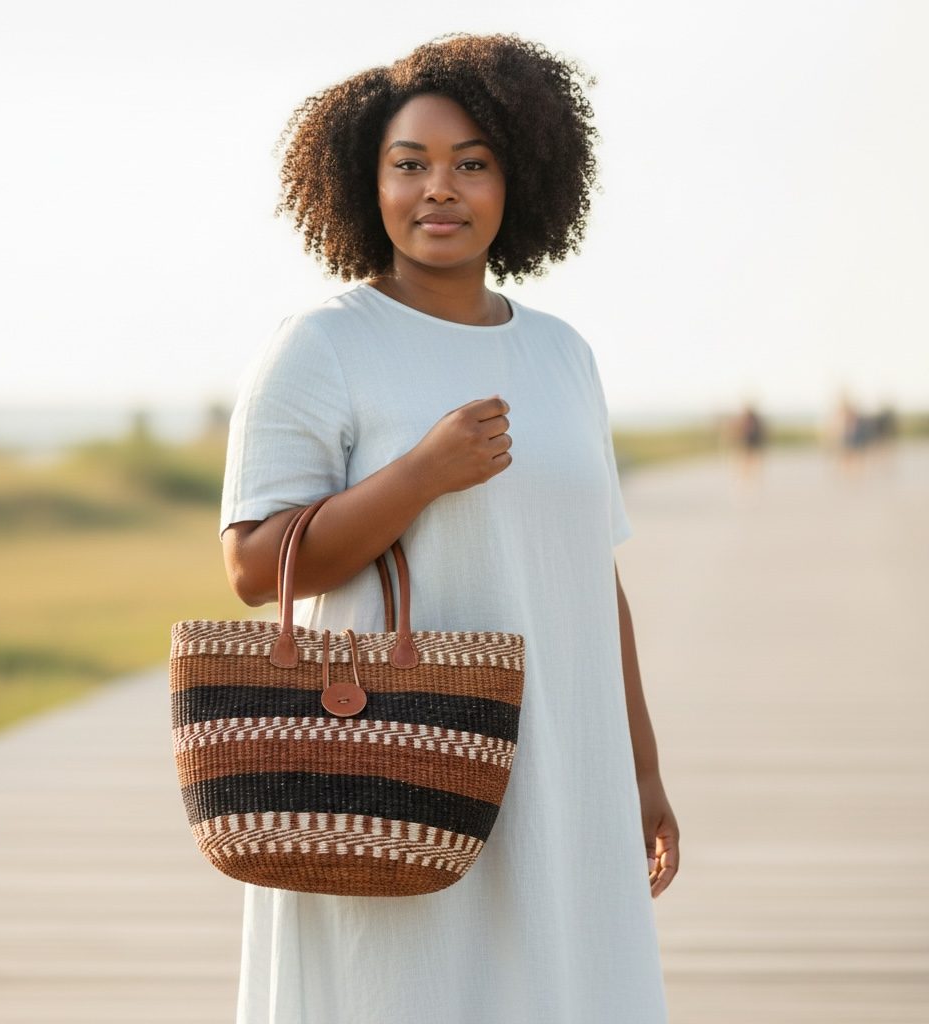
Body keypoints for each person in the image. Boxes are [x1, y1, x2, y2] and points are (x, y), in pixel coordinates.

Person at [220, 33, 679, 1024]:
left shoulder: (563, 355)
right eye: (410, 163)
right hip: (387, 757)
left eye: (472, 163)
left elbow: (588, 574)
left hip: (561, 758)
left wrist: (637, 769)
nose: (441, 188)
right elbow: (257, 566)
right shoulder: (322, 345)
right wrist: (419, 476)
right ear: (364, 180)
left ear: (520, 181)